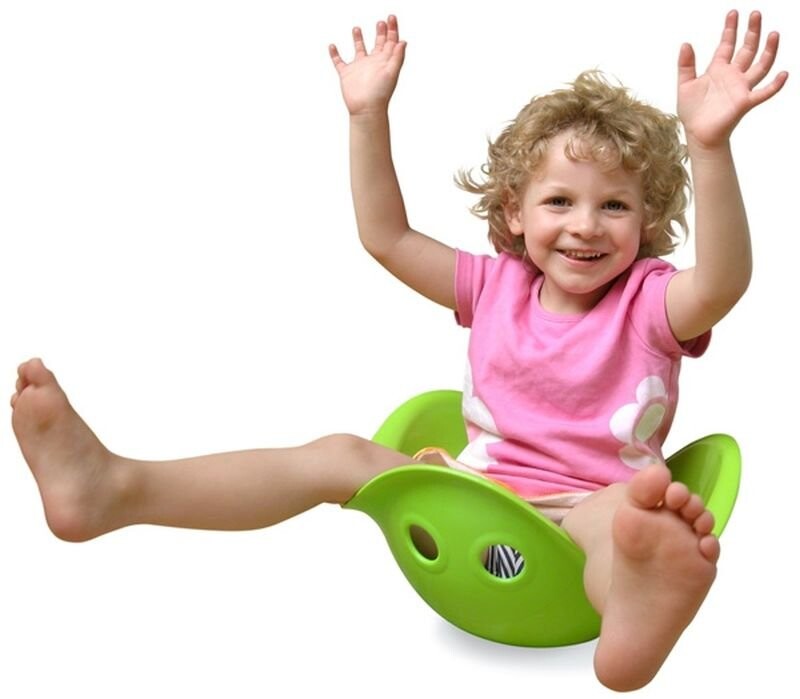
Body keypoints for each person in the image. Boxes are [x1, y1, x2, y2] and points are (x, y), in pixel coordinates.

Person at [10, 10, 786, 692]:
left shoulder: (648, 301)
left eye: (614, 205)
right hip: (474, 497)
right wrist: (366, 118)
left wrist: (709, 146)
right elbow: (386, 236)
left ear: (646, 222)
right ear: (514, 212)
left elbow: (723, 281)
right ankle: (114, 488)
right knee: (337, 453)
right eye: (560, 200)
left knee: (630, 518)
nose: (586, 224)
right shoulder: (495, 286)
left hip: (590, 510)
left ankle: (634, 607)